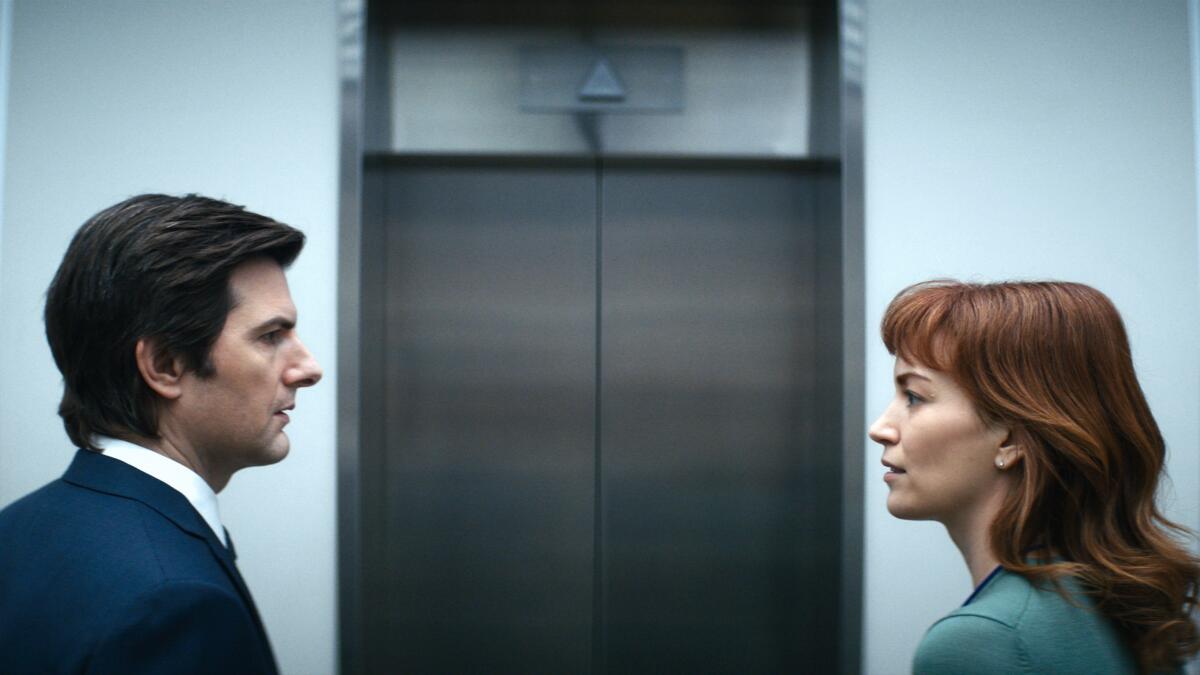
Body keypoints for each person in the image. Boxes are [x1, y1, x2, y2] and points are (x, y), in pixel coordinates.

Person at [0, 194, 322, 674]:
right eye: (270, 336)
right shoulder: (170, 603)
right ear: (165, 366)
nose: (308, 368)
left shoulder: (19, 527)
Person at [868, 280, 1199, 674]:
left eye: (914, 397)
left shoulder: (983, 643)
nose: (880, 428)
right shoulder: (1128, 606)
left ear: (1011, 437)